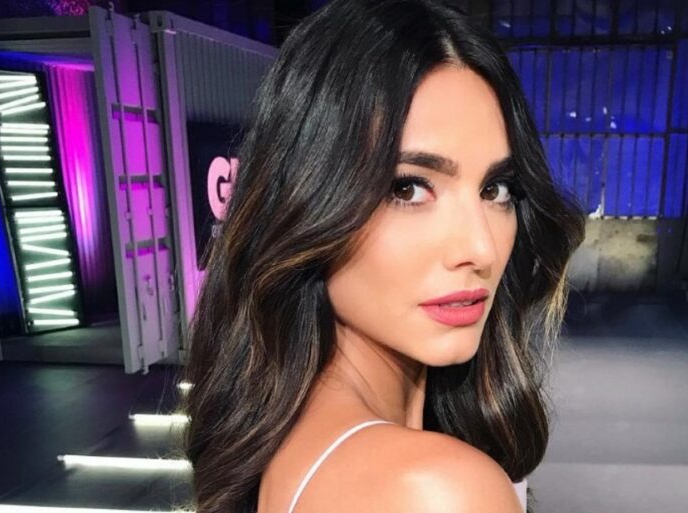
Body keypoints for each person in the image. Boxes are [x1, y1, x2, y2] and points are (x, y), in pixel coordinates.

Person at [180, 1, 585, 513]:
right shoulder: (434, 491)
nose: (480, 248)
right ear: (306, 200)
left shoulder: (291, 445)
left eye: (497, 189)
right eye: (408, 188)